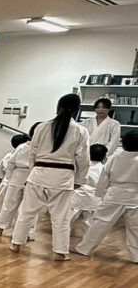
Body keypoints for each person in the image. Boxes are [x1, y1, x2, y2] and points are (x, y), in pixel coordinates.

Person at [10, 94, 90, 261]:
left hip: (39, 173)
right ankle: (60, 252)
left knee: (26, 212)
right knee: (61, 218)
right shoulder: (80, 131)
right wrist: (79, 180)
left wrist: (33, 171)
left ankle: (16, 243)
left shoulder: (42, 127)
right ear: (77, 110)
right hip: (63, 178)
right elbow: (83, 159)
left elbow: (32, 152)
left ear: (58, 107)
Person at [72, 131, 138, 262]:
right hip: (135, 196)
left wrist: (100, 194)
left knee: (100, 223)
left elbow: (104, 176)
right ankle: (136, 256)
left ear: (124, 144)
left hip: (114, 194)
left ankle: (84, 248)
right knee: (136, 228)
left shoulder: (116, 157)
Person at [0, 134, 30, 225]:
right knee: (13, 203)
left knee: (0, 201)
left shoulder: (9, 155)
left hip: (6, 180)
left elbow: (0, 167)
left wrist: (2, 177)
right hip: (15, 180)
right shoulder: (27, 153)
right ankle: (11, 223)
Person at [69, 143, 108, 235]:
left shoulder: (81, 166)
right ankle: (87, 239)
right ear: (104, 157)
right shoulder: (103, 169)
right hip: (93, 199)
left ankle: (64, 236)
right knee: (89, 222)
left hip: (77, 197)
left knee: (68, 220)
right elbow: (104, 186)